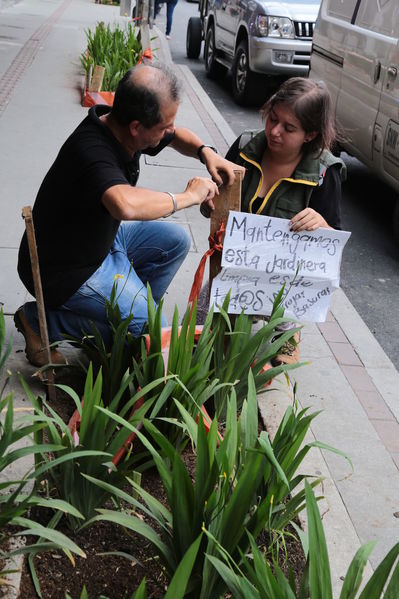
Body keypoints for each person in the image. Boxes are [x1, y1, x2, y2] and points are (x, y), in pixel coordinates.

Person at [15, 64, 242, 367]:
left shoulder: (122, 125)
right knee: (148, 329)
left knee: (175, 241)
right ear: (137, 127)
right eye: (164, 126)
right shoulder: (91, 150)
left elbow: (177, 137)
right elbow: (126, 206)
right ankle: (44, 322)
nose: (169, 132)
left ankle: (125, 318)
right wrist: (189, 197)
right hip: (62, 270)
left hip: (98, 240)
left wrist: (206, 152)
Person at [200, 77, 346, 363]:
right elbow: (213, 207)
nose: (274, 131)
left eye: (288, 128)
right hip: (233, 267)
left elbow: (333, 244)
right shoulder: (244, 147)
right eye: (273, 119)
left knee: (272, 363)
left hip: (284, 284)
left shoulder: (325, 174)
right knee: (198, 337)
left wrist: (320, 223)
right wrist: (209, 203)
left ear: (310, 134)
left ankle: (286, 329)